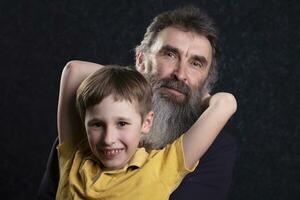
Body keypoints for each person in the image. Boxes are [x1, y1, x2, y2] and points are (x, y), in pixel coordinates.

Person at [38, 5, 238, 200]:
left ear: (206, 80)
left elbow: (225, 103)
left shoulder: (213, 149)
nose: (180, 74)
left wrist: (201, 97)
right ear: (141, 60)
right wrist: (128, 86)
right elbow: (74, 71)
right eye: (169, 54)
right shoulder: (90, 133)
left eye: (196, 64)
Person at [56, 65, 236, 199]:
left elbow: (226, 103)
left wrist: (195, 97)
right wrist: (126, 82)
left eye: (122, 123)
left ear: (146, 123)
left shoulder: (161, 168)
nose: (108, 139)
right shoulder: (74, 156)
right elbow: (73, 69)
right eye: (97, 125)